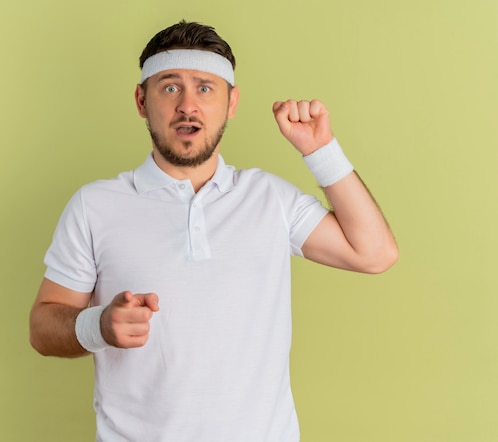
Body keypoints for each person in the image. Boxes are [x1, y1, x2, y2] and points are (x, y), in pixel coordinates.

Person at [29, 20, 398, 442]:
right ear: (141, 100)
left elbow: (375, 254)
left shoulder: (270, 198)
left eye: (205, 88)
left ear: (232, 101)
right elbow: (42, 328)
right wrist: (99, 325)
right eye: (170, 87)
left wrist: (321, 152)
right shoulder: (95, 205)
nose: (188, 105)